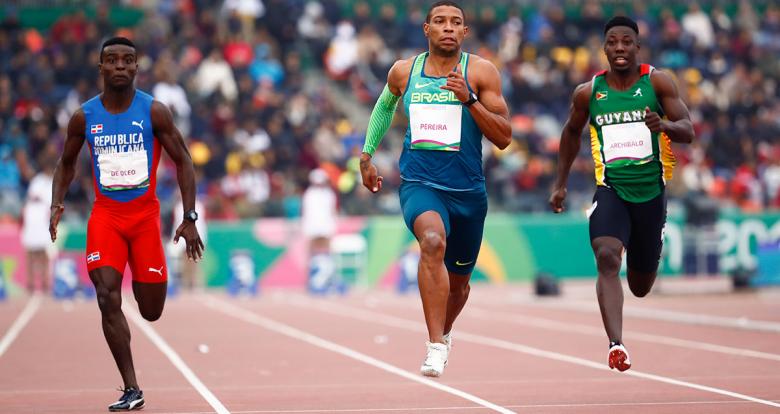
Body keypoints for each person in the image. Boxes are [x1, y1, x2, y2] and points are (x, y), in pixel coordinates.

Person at [49, 37, 204, 411]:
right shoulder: (84, 117)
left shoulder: (155, 112)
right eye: (112, 60)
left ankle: (141, 280)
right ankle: (131, 387)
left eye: (127, 60)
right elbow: (66, 163)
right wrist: (57, 202)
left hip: (145, 219)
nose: (120, 66)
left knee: (151, 310)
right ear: (101, 68)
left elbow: (183, 160)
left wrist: (189, 216)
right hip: (106, 218)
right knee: (106, 296)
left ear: (137, 67)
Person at [359, 1, 511, 377]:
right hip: (420, 184)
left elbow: (504, 137)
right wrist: (366, 155)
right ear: (426, 29)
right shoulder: (403, 71)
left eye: (455, 22)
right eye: (440, 22)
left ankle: (445, 329)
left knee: (459, 286)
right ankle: (435, 345)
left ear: (465, 32)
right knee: (431, 241)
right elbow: (383, 108)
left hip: (468, 192)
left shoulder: (480, 72)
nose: (448, 27)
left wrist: (469, 100)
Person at [549, 16, 694, 372]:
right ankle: (616, 344)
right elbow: (570, 134)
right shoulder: (589, 92)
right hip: (610, 189)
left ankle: (647, 251)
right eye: (612, 42)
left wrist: (665, 126)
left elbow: (688, 130)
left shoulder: (657, 81)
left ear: (637, 47)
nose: (619, 48)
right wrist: (560, 183)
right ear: (604, 48)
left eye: (626, 42)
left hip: (650, 194)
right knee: (607, 258)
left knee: (641, 285)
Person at [21, 160, 55, 294]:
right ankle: (30, 283)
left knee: (44, 253)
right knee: (30, 252)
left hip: (43, 218)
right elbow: (33, 197)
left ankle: (45, 282)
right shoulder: (37, 181)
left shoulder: (53, 182)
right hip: (33, 216)